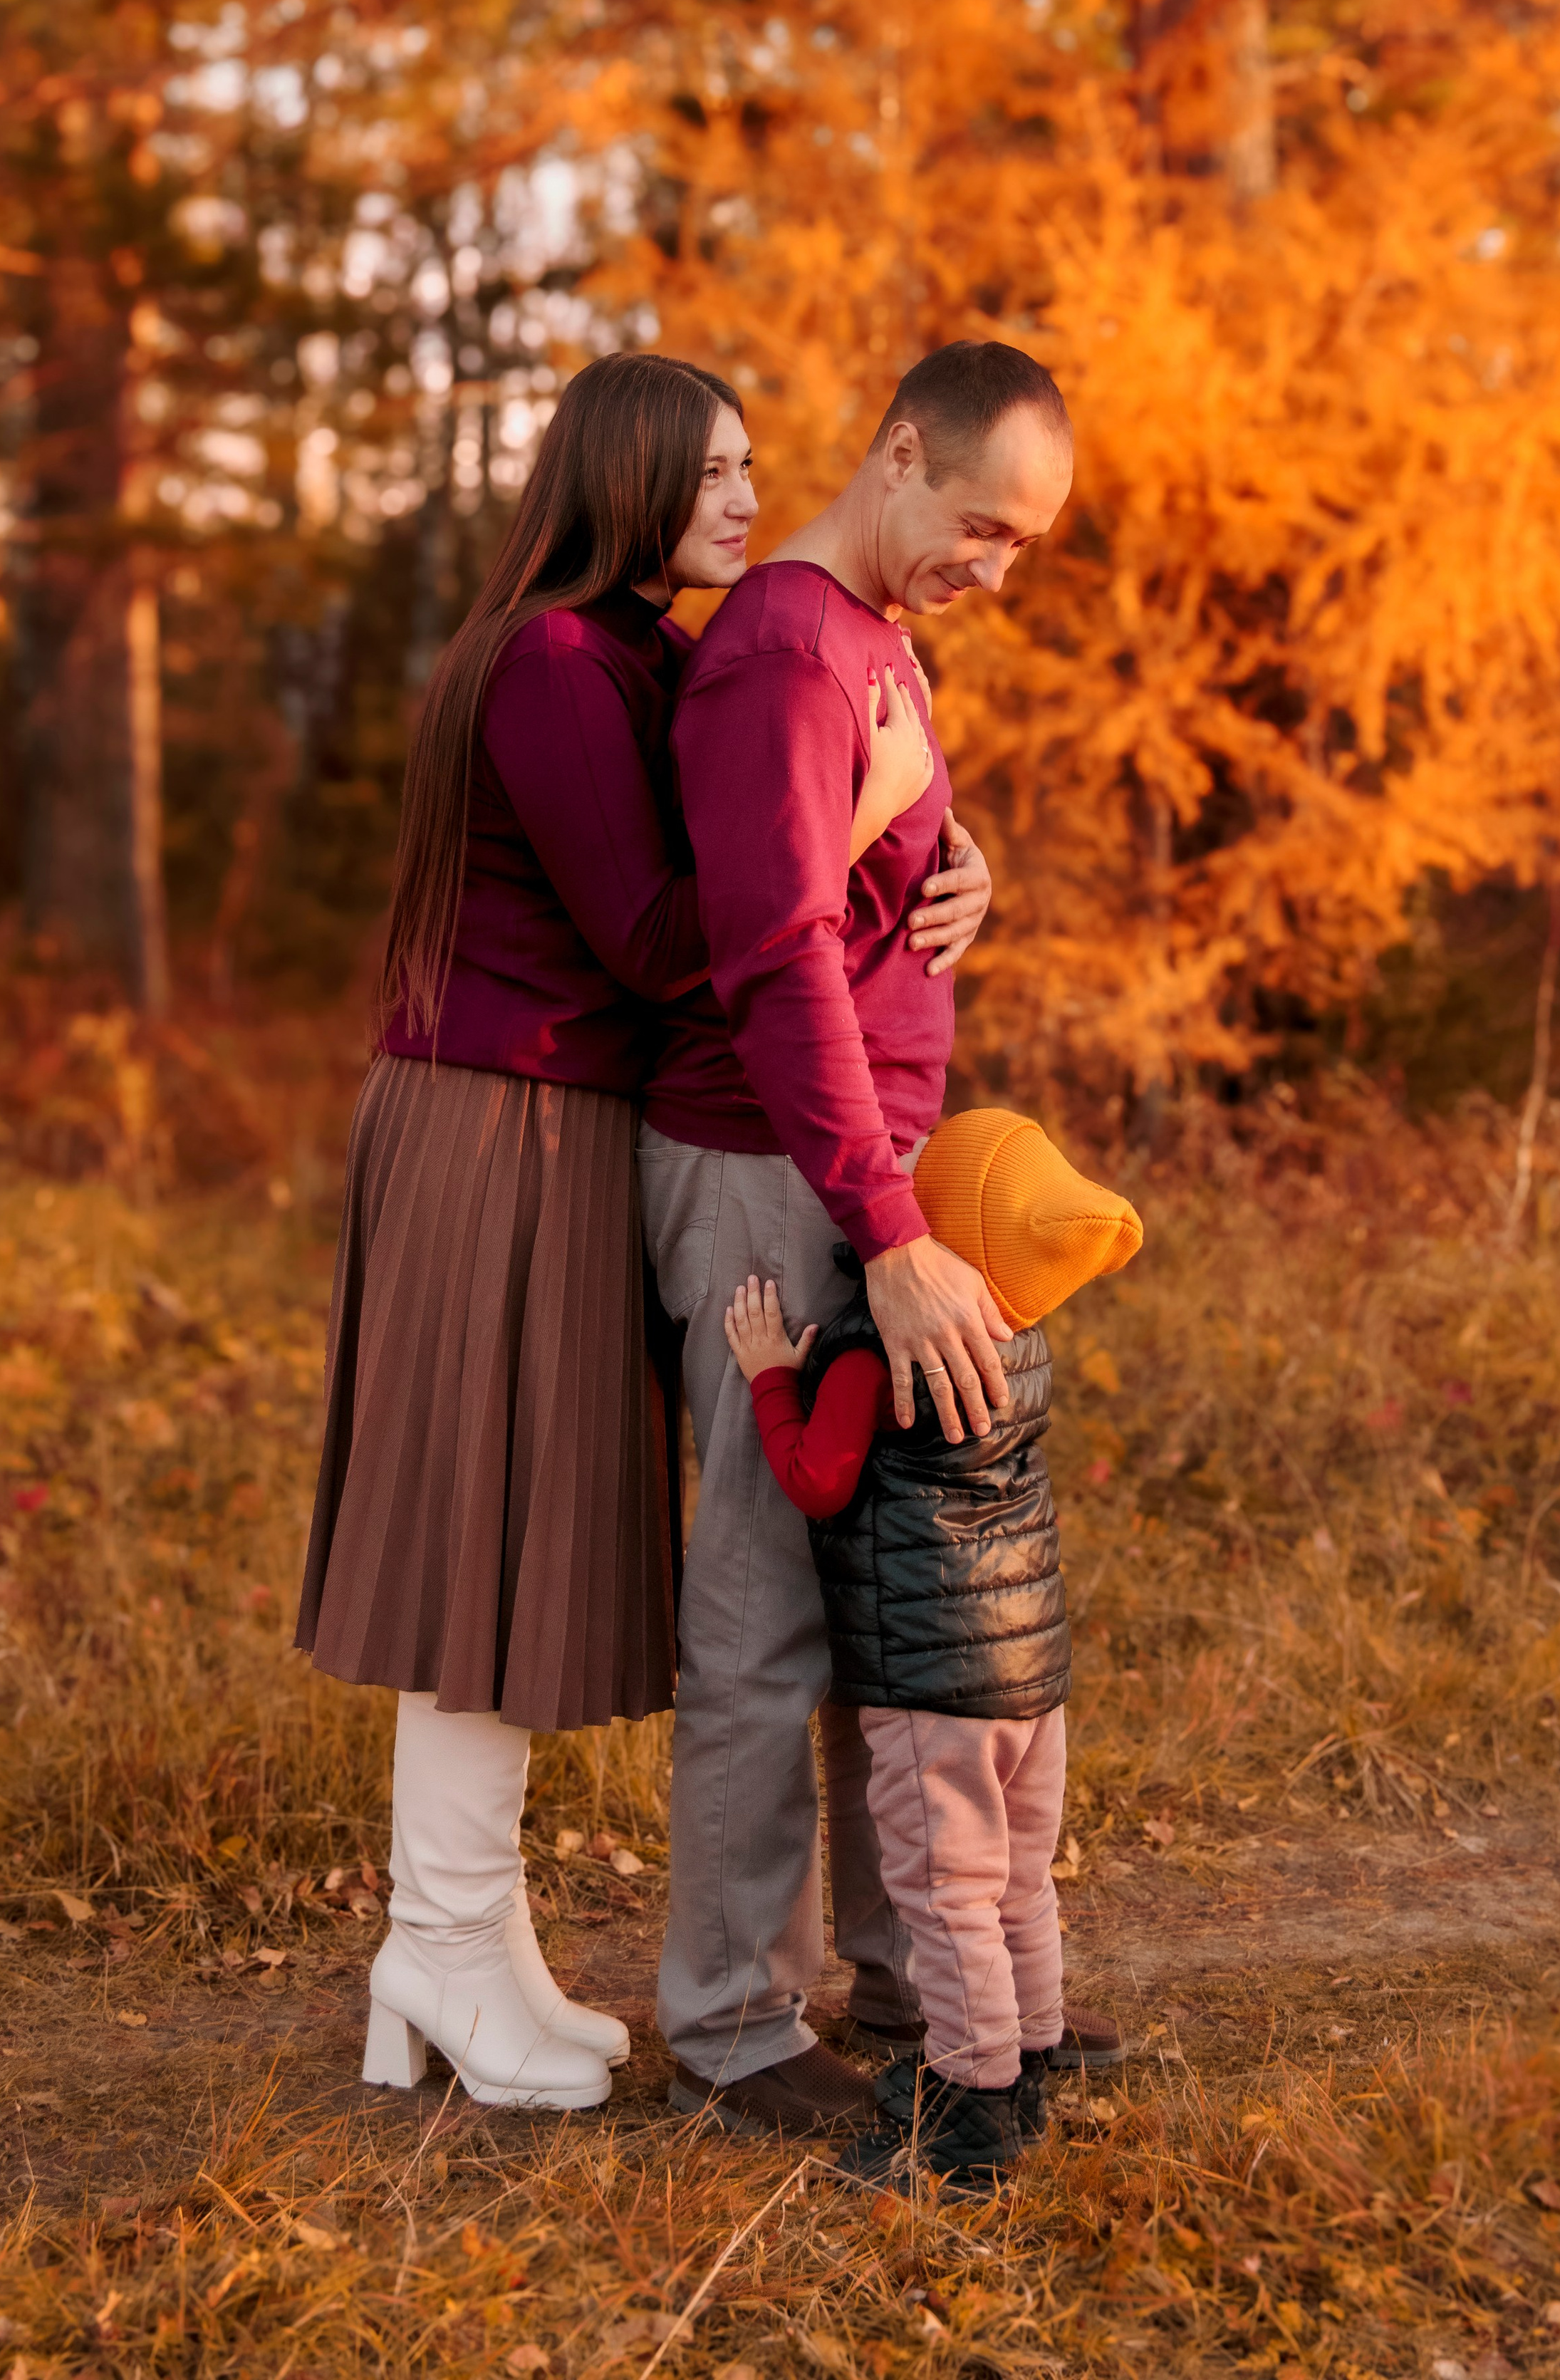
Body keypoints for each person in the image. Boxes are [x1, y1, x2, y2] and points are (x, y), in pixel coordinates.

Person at [295, 351, 941, 2111]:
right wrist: (869, 815)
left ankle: (467, 1942)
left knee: (522, 1532)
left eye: (750, 467)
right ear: (627, 478)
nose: (744, 499)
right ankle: (435, 1940)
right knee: (471, 1538)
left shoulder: (652, 654)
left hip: (567, 1123)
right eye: (709, 471)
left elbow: (755, 851)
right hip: (490, 1116)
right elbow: (672, 940)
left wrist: (945, 857)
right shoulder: (556, 665)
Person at [640, 340, 1081, 2134]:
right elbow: (769, 964)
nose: (1000, 568)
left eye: (1028, 546)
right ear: (901, 454)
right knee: (760, 1611)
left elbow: (861, 877)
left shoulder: (876, 639)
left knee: (899, 1601)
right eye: (985, 524)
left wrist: (965, 865)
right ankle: (737, 2031)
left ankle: (919, 1984)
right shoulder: (780, 653)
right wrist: (887, 1229)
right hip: (772, 1174)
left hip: (861, 1173)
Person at [722, 1108, 1143, 2198]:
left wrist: (773, 1378)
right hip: (1026, 1676)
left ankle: (968, 2113)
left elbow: (819, 1479)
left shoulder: (882, 1352)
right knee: (1016, 1881)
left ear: (941, 1229)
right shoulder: (1023, 1333)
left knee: (943, 1892)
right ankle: (1030, 2058)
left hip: (929, 1677)